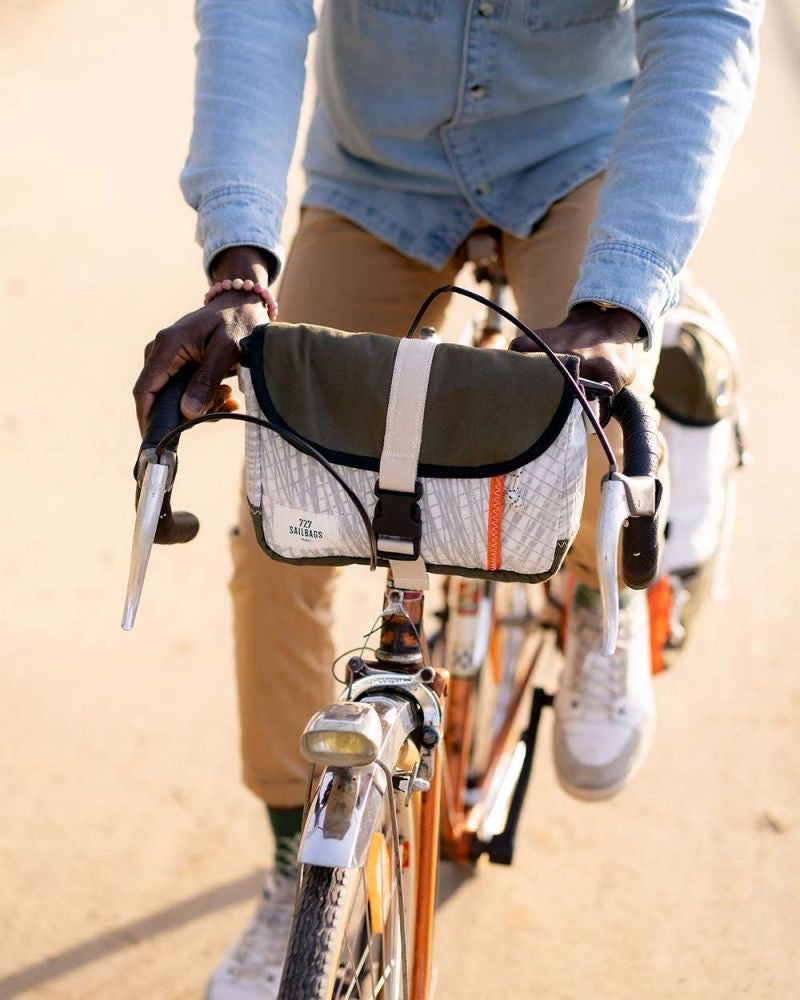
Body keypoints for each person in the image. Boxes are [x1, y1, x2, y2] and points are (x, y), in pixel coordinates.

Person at [133, 2, 762, 996]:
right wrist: (239, 263)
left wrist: (622, 294)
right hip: (376, 178)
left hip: (576, 160)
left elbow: (701, 23)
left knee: (599, 425)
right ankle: (297, 863)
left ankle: (609, 582)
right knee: (280, 510)